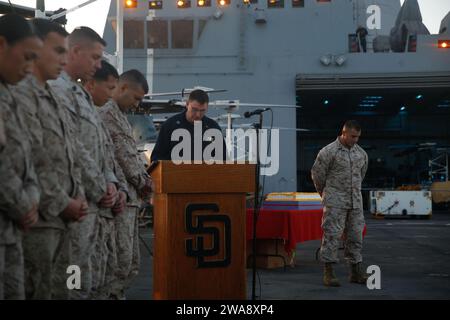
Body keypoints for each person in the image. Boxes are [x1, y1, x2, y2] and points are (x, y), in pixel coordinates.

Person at [10, 18, 97, 299]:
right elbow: (33, 157)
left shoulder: (51, 95)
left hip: (65, 219)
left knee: (67, 288)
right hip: (42, 221)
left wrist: (80, 196)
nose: (64, 59)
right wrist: (63, 202)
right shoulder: (21, 94)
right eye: (58, 51)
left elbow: (70, 151)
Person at [49, 26, 120, 299]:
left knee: (87, 282)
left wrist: (111, 182)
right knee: (72, 285)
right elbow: (73, 146)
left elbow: (98, 144)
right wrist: (101, 186)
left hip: (93, 206)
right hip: (77, 202)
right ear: (75, 51)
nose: (99, 65)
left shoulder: (79, 95)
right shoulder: (58, 91)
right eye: (95, 57)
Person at [98, 69, 152, 299]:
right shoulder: (108, 113)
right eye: (136, 98)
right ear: (123, 88)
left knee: (130, 265)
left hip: (130, 199)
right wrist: (145, 183)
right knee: (119, 265)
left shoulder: (119, 115)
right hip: (121, 199)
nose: (137, 105)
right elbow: (124, 157)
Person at [0, 13, 42, 300]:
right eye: (27, 57)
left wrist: (31, 198)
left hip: (11, 229)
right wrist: (24, 204)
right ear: (2, 44)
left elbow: (26, 158)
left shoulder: (9, 93)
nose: (30, 68)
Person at [84, 60, 129, 299]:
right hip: (81, 211)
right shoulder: (83, 110)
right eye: (110, 88)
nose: (112, 94)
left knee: (102, 278)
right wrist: (105, 187)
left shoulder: (94, 114)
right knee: (75, 283)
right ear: (91, 84)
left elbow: (107, 156)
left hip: (102, 210)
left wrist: (118, 187)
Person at [311, 120, 369, 287]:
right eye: (352, 136)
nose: (355, 140)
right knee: (332, 236)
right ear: (343, 133)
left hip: (355, 203)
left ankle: (356, 272)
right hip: (335, 202)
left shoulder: (361, 154)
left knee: (356, 236)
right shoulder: (328, 151)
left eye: (358, 137)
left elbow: (361, 175)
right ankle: (329, 273)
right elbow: (317, 175)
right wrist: (326, 194)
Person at [151, 89, 225, 163]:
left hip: (205, 173)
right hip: (175, 173)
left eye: (202, 110)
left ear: (207, 108)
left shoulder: (213, 128)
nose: (198, 115)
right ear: (187, 104)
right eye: (194, 109)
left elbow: (222, 160)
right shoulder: (170, 125)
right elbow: (156, 158)